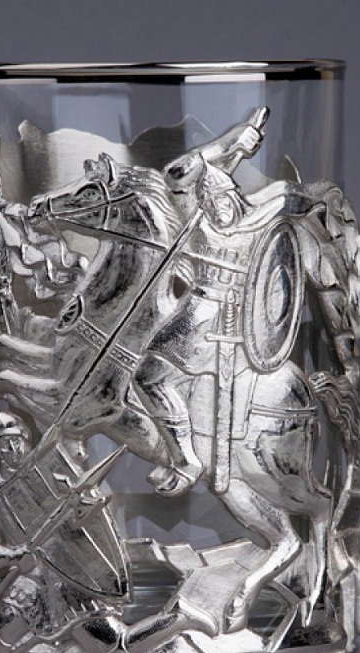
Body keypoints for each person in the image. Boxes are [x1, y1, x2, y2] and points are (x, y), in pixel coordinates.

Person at [132, 109, 267, 496]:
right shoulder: (205, 223)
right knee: (142, 376)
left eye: (222, 197)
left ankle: (187, 460)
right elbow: (176, 174)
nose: (215, 204)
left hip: (222, 318)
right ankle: (177, 451)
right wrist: (229, 142)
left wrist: (229, 148)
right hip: (206, 311)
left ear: (236, 198)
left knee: (147, 377)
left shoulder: (257, 226)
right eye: (208, 198)